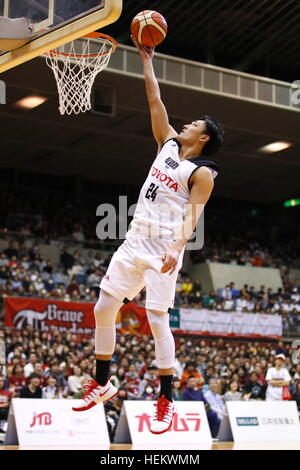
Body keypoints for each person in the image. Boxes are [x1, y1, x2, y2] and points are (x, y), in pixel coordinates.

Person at [73, 35, 223, 437]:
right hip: (134, 238)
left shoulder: (202, 172)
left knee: (157, 317)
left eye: (195, 124)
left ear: (204, 137)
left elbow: (193, 217)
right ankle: (103, 381)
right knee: (103, 309)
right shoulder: (168, 144)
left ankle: (166, 399)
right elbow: (155, 101)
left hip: (162, 247)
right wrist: (146, 60)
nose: (186, 124)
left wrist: (176, 249)